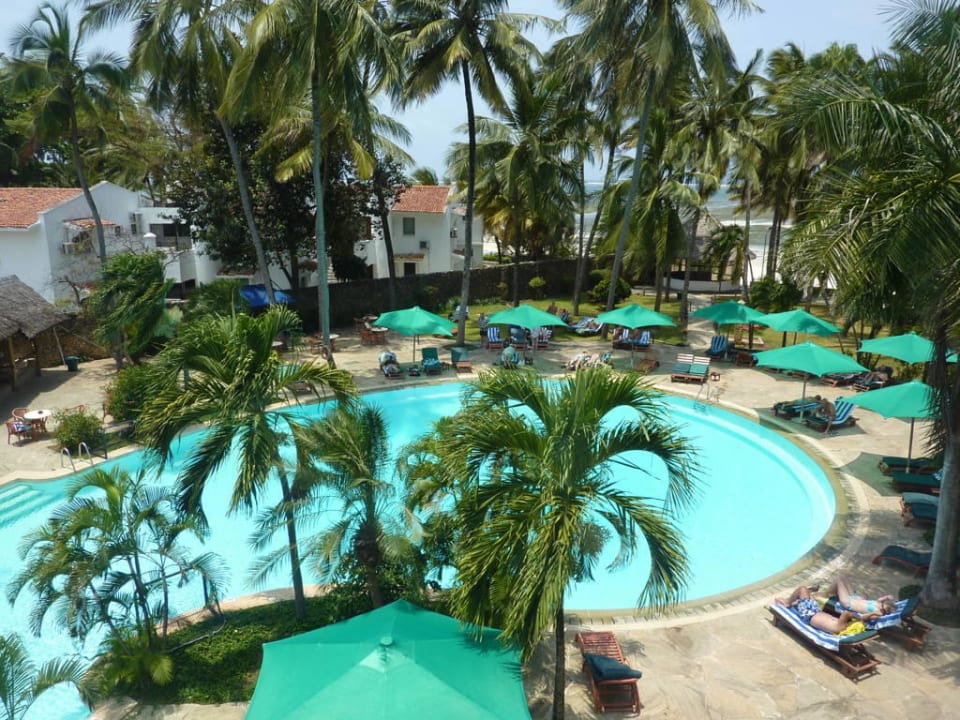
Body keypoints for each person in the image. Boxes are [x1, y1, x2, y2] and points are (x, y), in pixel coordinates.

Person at [775, 585, 868, 634]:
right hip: (814, 611)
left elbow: (846, 613)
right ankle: (795, 601)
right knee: (809, 595)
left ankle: (788, 602)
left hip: (810, 613)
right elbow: (846, 615)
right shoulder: (840, 626)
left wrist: (860, 618)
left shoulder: (839, 627)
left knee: (802, 589)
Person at [827, 575, 897, 616]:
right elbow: (879, 601)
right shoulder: (881, 605)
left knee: (838, 580)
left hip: (848, 602)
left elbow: (864, 618)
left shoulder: (878, 612)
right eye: (888, 607)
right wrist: (887, 597)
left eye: (888, 610)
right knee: (844, 576)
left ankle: (825, 595)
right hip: (854, 597)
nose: (885, 608)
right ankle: (834, 592)